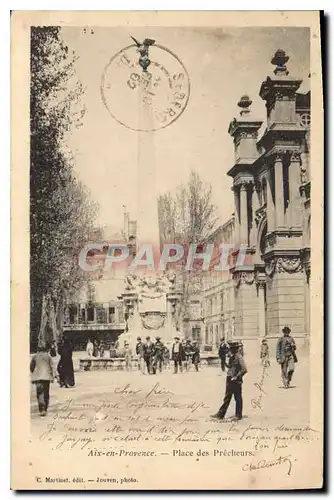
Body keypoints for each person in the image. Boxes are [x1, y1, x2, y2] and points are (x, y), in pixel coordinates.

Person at [211, 340, 247, 421]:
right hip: (230, 378)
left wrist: (237, 377)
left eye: (231, 348)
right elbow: (231, 366)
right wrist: (224, 362)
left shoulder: (239, 357)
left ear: (235, 349)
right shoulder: (233, 356)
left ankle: (238, 415)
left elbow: (244, 369)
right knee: (227, 397)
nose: (230, 350)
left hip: (236, 380)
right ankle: (220, 414)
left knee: (237, 397)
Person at [30, 343, 54, 416]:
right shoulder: (48, 356)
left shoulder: (35, 357)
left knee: (40, 393)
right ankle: (45, 408)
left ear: (38, 349)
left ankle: (41, 409)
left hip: (38, 378)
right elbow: (52, 366)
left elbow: (31, 366)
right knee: (46, 393)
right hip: (46, 377)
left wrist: (33, 372)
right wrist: (54, 375)